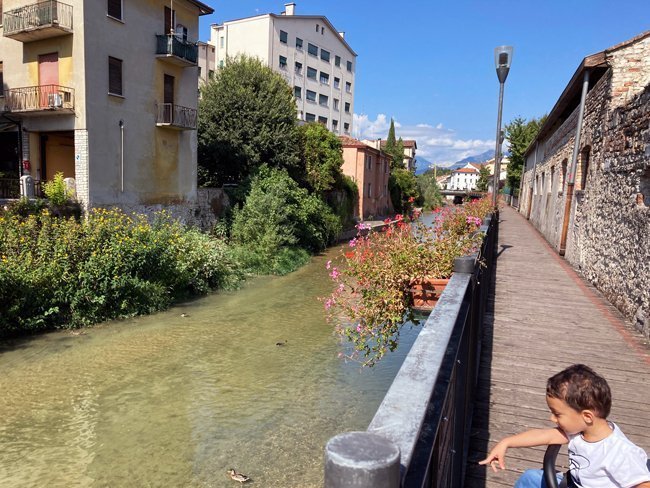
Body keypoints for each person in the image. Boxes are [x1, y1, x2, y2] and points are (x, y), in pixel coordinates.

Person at [479, 364, 650, 487]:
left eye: (557, 414)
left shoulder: (620, 453)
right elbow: (543, 435)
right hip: (572, 482)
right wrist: (506, 443)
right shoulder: (580, 431)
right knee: (529, 478)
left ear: (587, 416)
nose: (552, 418)